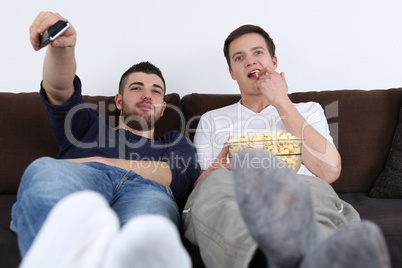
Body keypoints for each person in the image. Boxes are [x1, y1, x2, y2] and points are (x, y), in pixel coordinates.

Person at [182, 24, 391, 268]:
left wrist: (281, 102)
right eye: (239, 57)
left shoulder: (308, 110)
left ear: (274, 60)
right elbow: (200, 189)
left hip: (302, 188)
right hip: (232, 191)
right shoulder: (210, 119)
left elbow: (329, 171)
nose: (250, 62)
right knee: (214, 187)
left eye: (257, 53)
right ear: (232, 72)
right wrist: (216, 167)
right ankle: (254, 256)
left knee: (308, 200)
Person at [11, 11, 199, 266]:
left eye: (156, 92)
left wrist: (101, 160)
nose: (147, 95)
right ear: (119, 101)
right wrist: (62, 48)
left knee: (149, 230)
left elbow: (180, 180)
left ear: (163, 107)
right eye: (137, 88)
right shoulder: (87, 123)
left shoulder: (173, 141)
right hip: (82, 179)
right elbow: (58, 90)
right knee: (45, 172)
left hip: (146, 191)